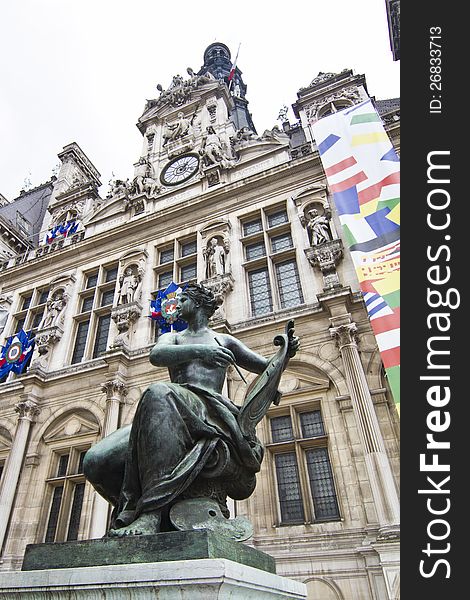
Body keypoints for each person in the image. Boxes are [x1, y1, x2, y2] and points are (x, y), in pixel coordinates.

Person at [83, 283, 299, 536]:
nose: (176, 304)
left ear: (197, 304)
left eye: (183, 299)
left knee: (157, 392)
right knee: (95, 461)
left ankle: (152, 513)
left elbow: (267, 367)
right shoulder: (173, 337)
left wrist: (285, 354)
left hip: (209, 409)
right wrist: (202, 352)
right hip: (173, 405)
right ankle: (131, 510)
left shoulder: (224, 340)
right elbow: (158, 355)